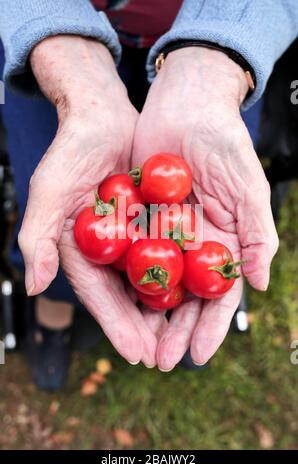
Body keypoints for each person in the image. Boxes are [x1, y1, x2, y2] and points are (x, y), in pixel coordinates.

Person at [0, 0, 297, 390]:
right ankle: (54, 307)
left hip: (219, 32)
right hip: (51, 32)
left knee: (75, 216)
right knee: (51, 218)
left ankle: (184, 310)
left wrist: (219, 52)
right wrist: (56, 34)